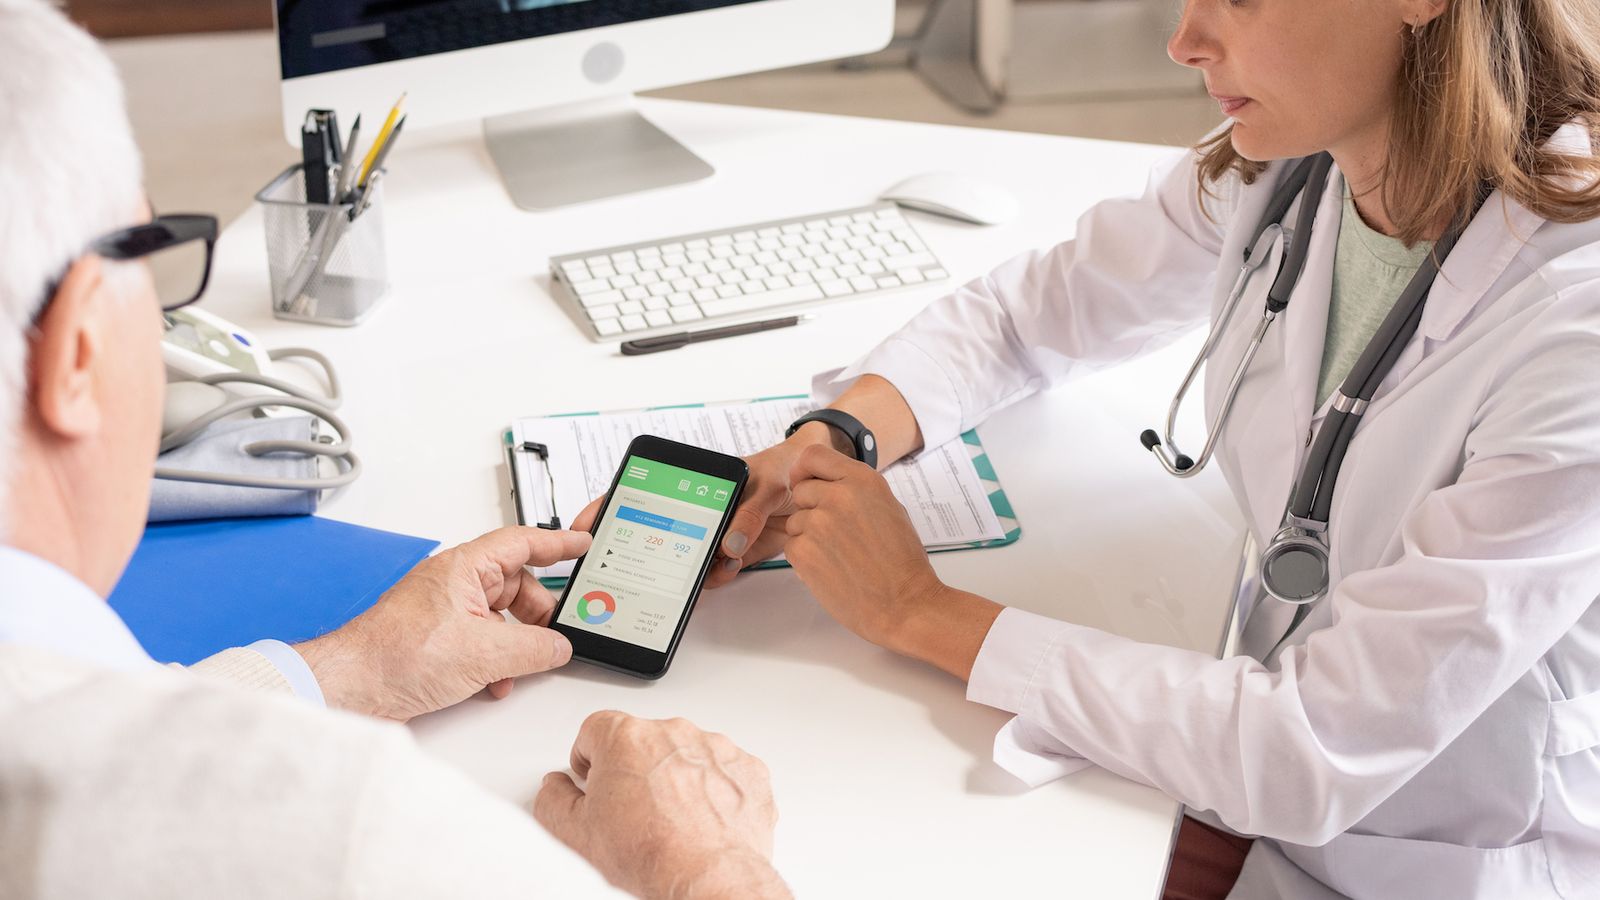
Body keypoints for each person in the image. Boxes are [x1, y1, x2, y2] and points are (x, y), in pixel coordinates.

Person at [596, 0, 1600, 897]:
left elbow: (1311, 748)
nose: (1184, 40)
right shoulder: (1302, 158)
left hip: (1432, 854)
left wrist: (917, 609)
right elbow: (1033, 312)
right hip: (1233, 773)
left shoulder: (1574, 327)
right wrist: (840, 438)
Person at [0, 2, 788, 897]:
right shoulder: (351, 831)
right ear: (76, 351)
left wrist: (352, 668)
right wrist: (705, 865)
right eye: (155, 267)